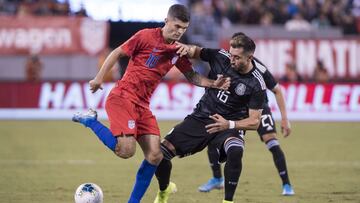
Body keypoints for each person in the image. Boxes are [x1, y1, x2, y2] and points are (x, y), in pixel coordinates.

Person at [72, 4, 230, 203]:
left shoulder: (178, 51)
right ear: (166, 21)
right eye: (176, 26)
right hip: (122, 97)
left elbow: (192, 77)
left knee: (155, 156)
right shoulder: (145, 36)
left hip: (142, 106)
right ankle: (90, 120)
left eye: (184, 28)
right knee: (126, 151)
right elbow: (117, 53)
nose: (179, 31)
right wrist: (98, 78)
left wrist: (213, 84)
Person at [153, 33, 267, 203]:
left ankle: (228, 201)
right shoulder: (221, 57)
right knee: (158, 155)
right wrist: (187, 48)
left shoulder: (256, 83)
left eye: (237, 57)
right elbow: (196, 51)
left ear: (250, 57)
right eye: (231, 55)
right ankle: (164, 190)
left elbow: (255, 121)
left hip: (229, 125)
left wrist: (229, 124)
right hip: (201, 117)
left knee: (235, 151)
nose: (232, 60)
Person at [198, 58, 295, 196]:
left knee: (271, 140)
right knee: (214, 133)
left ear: (247, 55)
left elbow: (277, 90)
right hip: (235, 108)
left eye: (237, 54)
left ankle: (287, 185)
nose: (233, 57)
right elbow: (212, 85)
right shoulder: (226, 62)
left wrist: (285, 119)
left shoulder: (259, 68)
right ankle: (217, 178)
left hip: (259, 108)